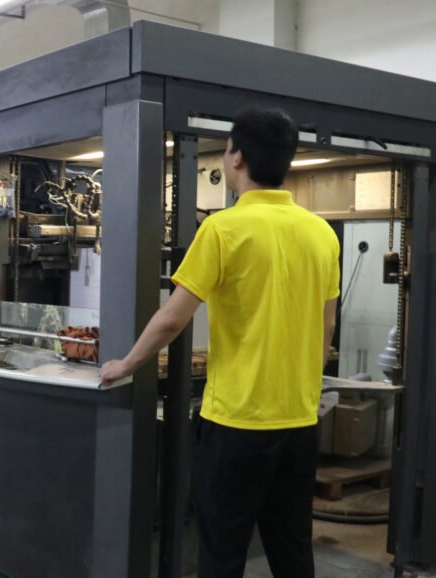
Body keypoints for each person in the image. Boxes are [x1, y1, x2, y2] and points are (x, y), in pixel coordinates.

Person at [99, 106, 340, 578]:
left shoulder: (222, 229)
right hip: (298, 423)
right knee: (293, 552)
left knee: (222, 554)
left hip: (237, 425)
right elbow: (326, 328)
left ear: (238, 157)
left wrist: (125, 364)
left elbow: (172, 319)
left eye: (227, 149)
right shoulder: (321, 233)